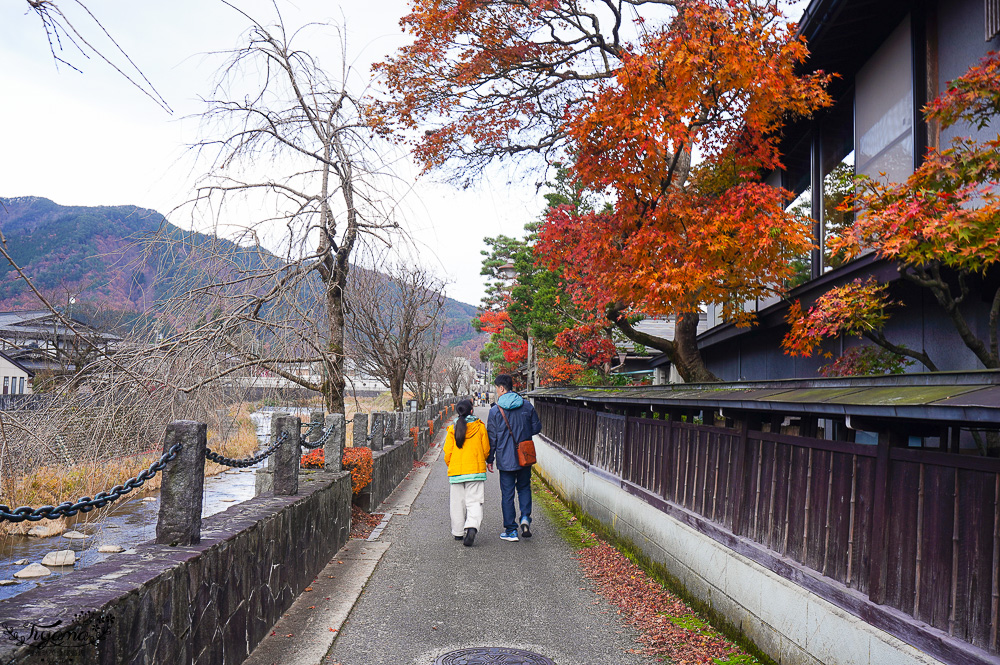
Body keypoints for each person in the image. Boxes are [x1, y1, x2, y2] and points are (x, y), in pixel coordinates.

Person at [486, 374, 542, 542]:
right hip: (524, 456)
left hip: (505, 459)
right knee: (524, 488)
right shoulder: (526, 406)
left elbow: (492, 438)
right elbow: (536, 428)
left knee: (507, 494)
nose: (497, 391)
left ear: (502, 388)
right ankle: (525, 518)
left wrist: (490, 459)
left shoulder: (495, 411)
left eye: (497, 388)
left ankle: (511, 531)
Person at [443, 399, 491, 546]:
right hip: (475, 471)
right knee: (474, 501)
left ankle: (458, 532)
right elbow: (486, 449)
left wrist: (451, 464)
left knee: (457, 503)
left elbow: (447, 452)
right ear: (471, 411)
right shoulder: (479, 427)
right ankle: (471, 527)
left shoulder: (452, 429)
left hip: (456, 471)